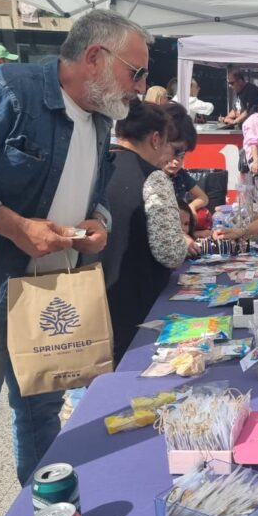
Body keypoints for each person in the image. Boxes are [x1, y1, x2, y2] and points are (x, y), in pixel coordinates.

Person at [0, 9, 150, 516]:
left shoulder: (101, 115)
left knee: (41, 416)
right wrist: (16, 226)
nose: (139, 88)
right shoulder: (6, 89)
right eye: (135, 72)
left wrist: (99, 225)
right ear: (95, 57)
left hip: (51, 294)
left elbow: (94, 196)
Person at [92, 99, 188, 363]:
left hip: (92, 294)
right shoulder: (153, 178)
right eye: (169, 144)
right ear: (155, 139)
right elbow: (170, 252)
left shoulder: (96, 165)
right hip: (137, 301)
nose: (169, 154)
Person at [161, 102, 209, 213]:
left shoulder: (180, 175)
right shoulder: (148, 176)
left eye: (182, 156)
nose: (176, 162)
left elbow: (203, 197)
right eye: (174, 152)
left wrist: (190, 208)